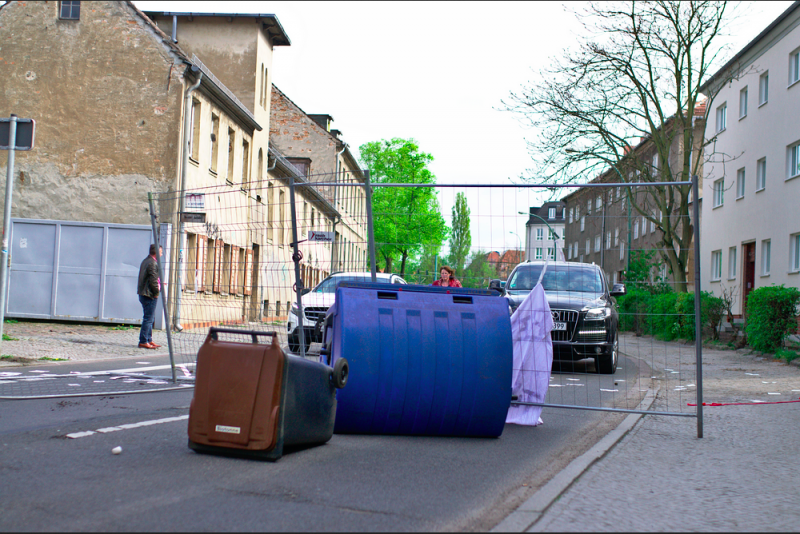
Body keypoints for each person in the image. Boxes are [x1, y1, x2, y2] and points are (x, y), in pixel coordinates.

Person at [137, 244, 161, 349]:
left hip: (143, 293)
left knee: (150, 318)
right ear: (156, 252)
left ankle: (149, 339)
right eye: (161, 251)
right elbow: (153, 281)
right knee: (148, 318)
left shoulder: (145, 261)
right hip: (149, 294)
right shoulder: (152, 263)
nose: (162, 253)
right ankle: (143, 341)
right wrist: (156, 293)